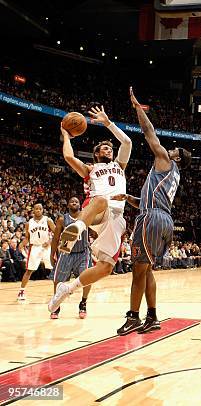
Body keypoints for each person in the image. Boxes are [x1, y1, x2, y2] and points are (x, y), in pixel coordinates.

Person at [114, 87, 191, 335]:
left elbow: (149, 134)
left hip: (152, 219)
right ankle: (153, 317)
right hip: (162, 218)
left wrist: (138, 107)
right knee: (146, 269)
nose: (170, 150)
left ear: (176, 159)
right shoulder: (173, 175)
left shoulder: (165, 162)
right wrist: (128, 198)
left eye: (175, 151)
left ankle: (133, 316)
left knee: (138, 269)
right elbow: (147, 201)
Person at [48, 103, 132, 313]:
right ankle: (76, 229)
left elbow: (127, 141)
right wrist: (65, 136)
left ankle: (68, 289)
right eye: (105, 148)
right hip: (95, 211)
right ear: (96, 154)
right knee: (102, 200)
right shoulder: (90, 169)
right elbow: (68, 157)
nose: (109, 149)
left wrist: (108, 123)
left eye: (111, 148)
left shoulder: (119, 166)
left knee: (106, 268)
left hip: (115, 219)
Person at [49, 197, 92, 319]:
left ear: (80, 205)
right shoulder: (62, 219)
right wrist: (52, 254)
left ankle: (83, 303)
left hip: (83, 252)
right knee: (58, 280)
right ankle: (56, 305)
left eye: (76, 201)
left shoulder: (86, 217)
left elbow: (95, 231)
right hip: (66, 252)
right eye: (72, 201)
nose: (74, 203)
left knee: (87, 277)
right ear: (68, 205)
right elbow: (56, 238)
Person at [18, 203, 55, 301]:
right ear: (33, 210)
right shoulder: (28, 223)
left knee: (53, 269)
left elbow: (56, 233)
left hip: (47, 247)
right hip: (34, 247)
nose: (38, 210)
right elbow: (27, 238)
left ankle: (59, 290)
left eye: (40, 208)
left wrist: (49, 241)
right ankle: (21, 291)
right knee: (29, 270)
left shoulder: (48, 220)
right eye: (36, 209)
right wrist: (22, 244)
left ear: (43, 210)